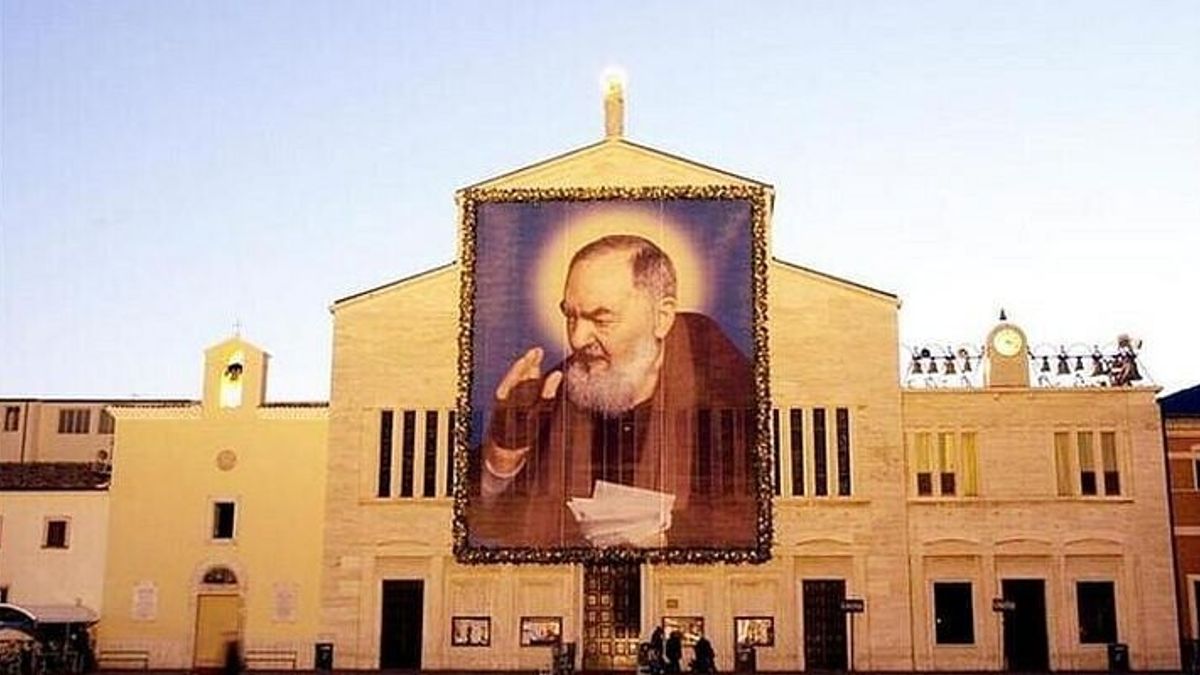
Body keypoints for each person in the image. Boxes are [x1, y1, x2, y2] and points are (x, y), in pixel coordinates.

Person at [469, 234, 757, 547]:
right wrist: (505, 451)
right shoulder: (557, 389)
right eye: (571, 316)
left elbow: (754, 517)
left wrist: (666, 540)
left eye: (601, 319)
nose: (577, 339)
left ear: (661, 318)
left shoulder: (729, 389)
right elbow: (486, 522)